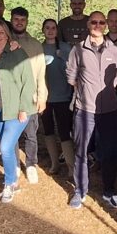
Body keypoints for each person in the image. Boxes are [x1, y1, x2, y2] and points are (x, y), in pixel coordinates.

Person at [67, 11, 117, 209]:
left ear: (106, 25)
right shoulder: (78, 50)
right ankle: (79, 191)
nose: (98, 25)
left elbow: (115, 79)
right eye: (94, 22)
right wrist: (87, 94)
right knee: (81, 152)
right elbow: (71, 78)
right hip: (85, 110)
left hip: (109, 111)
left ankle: (109, 191)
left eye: (101, 22)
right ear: (88, 24)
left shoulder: (115, 51)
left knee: (109, 153)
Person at [0, 20, 36, 202]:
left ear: (7, 35)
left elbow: (28, 82)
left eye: (1, 32)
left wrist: (23, 108)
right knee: (7, 146)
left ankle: (9, 184)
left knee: (5, 146)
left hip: (16, 110)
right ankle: (13, 179)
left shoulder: (18, 53)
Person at [10, 7, 50, 184]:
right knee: (12, 134)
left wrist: (42, 96)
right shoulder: (3, 40)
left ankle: (31, 164)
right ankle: (14, 164)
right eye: (16, 19)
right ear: (11, 20)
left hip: (30, 97)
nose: (19, 22)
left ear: (27, 21)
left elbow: (41, 73)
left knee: (31, 134)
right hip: (10, 97)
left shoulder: (35, 44)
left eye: (22, 20)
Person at [40, 18, 74, 176]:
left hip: (63, 96)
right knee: (48, 130)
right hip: (45, 97)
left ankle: (70, 166)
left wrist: (64, 58)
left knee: (64, 131)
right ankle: (54, 163)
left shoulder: (66, 48)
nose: (50, 30)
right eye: (47, 28)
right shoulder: (39, 49)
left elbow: (74, 70)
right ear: (43, 30)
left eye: (53, 27)